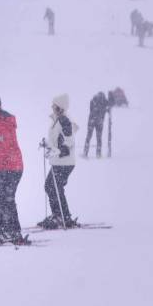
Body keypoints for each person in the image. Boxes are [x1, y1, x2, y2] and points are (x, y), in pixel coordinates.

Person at [38, 94, 78, 229]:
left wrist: (60, 150)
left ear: (59, 106)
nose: (51, 106)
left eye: (54, 104)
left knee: (52, 187)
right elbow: (57, 140)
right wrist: (48, 145)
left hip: (64, 162)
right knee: (52, 187)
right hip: (59, 162)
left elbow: (69, 140)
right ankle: (60, 215)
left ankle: (61, 216)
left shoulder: (64, 120)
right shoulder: (57, 120)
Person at [0, 94, 27, 244]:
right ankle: (12, 230)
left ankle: (5, 231)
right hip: (15, 166)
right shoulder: (7, 119)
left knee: (1, 199)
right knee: (6, 198)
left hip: (5, 167)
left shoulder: (1, 122)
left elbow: (3, 147)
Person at [82, 91, 109, 158]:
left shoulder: (93, 100)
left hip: (92, 121)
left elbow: (91, 109)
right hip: (100, 122)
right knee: (99, 138)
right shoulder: (105, 102)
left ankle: (85, 152)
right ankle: (98, 153)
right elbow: (109, 106)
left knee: (88, 137)